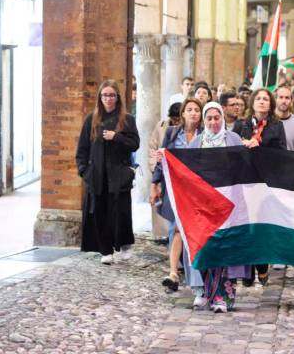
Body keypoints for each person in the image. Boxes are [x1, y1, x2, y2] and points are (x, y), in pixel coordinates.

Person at [150, 98, 207, 307]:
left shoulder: (205, 135)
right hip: (176, 189)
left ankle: (197, 278)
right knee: (175, 229)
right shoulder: (172, 134)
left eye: (196, 110)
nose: (193, 113)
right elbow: (161, 160)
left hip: (199, 192)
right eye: (189, 110)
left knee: (193, 233)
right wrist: (155, 183)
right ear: (182, 114)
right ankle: (173, 273)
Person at [76, 80, 140, 264]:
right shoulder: (91, 119)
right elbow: (82, 149)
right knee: (100, 213)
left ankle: (125, 243)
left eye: (112, 95)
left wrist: (117, 137)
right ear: (100, 97)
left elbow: (135, 144)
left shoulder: (127, 119)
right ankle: (106, 250)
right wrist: (84, 171)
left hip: (118, 175)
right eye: (105, 95)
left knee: (120, 212)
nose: (108, 99)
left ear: (117, 97)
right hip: (97, 177)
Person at [198, 102, 252, 312]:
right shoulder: (197, 143)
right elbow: (185, 167)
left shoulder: (233, 139)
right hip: (205, 204)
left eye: (216, 118)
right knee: (208, 247)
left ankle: (224, 298)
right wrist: (164, 158)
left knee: (226, 248)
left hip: (230, 203)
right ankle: (207, 293)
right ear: (204, 120)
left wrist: (251, 151)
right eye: (209, 118)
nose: (213, 122)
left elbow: (244, 166)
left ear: (222, 118)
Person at [233, 88, 287, 286]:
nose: (262, 102)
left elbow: (282, 154)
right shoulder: (241, 124)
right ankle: (247, 271)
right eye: (259, 98)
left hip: (266, 183)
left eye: (266, 99)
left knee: (261, 226)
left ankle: (262, 264)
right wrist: (243, 144)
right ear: (252, 103)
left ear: (271, 104)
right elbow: (231, 148)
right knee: (246, 225)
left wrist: (261, 148)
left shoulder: (276, 126)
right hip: (244, 181)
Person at [147, 102, 182, 240]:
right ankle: (161, 233)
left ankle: (175, 232)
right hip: (162, 169)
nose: (176, 122)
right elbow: (152, 147)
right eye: (174, 119)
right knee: (159, 201)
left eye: (178, 120)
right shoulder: (161, 126)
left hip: (178, 173)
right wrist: (154, 165)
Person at [275, 86, 294, 151]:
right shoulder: (266, 120)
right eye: (281, 97)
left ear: (291, 101)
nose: (284, 101)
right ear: (275, 99)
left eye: (287, 98)